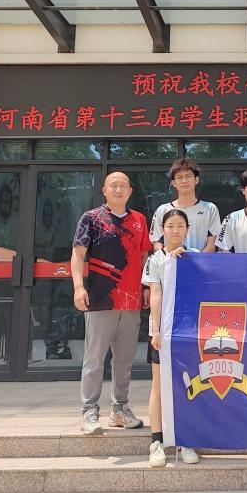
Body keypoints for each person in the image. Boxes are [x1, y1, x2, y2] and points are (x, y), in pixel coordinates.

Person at [71, 171, 151, 436]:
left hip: (131, 301)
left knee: (124, 361)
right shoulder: (91, 218)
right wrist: (79, 287)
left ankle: (120, 409)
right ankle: (89, 411)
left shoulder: (139, 220)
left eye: (123, 185)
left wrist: (146, 287)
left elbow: (143, 256)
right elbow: (78, 254)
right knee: (94, 359)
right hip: (100, 299)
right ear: (104, 190)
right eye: (113, 185)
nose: (118, 189)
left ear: (130, 191)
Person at [143, 208, 200, 468]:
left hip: (188, 332)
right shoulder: (155, 260)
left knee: (186, 384)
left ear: (187, 229)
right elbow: (155, 294)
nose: (175, 231)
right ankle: (157, 441)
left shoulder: (195, 256)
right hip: (163, 332)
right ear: (162, 230)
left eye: (180, 226)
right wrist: (155, 330)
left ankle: (185, 439)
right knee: (158, 385)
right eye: (170, 226)